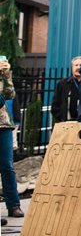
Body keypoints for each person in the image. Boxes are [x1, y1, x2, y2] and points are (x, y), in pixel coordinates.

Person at [0, 55, 23, 220]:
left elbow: (9, 95)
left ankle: (13, 205)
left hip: (3, 124)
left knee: (7, 165)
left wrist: (6, 75)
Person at [51, 55, 81, 123]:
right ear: (72, 67)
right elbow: (55, 105)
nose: (78, 67)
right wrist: (61, 119)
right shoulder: (63, 84)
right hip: (67, 124)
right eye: (76, 65)